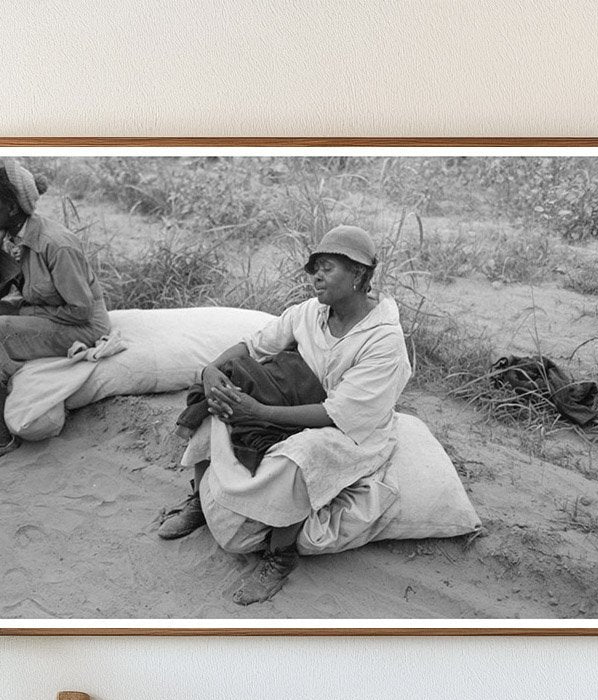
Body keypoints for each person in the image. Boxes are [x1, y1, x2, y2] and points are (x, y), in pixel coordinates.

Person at [158, 225, 411, 605]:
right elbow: (254, 344)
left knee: (303, 453)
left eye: (327, 268)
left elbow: (339, 413)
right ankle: (200, 499)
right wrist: (211, 371)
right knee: (216, 392)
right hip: (298, 398)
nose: (317, 277)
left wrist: (260, 411)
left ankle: (280, 555)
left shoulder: (383, 340)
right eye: (315, 268)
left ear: (359, 274)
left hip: (353, 431)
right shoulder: (310, 313)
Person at [0, 158, 111, 466]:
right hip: (49, 312)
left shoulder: (55, 245)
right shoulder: (8, 237)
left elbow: (81, 310)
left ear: (12, 208)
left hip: (83, 326)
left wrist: (24, 318)